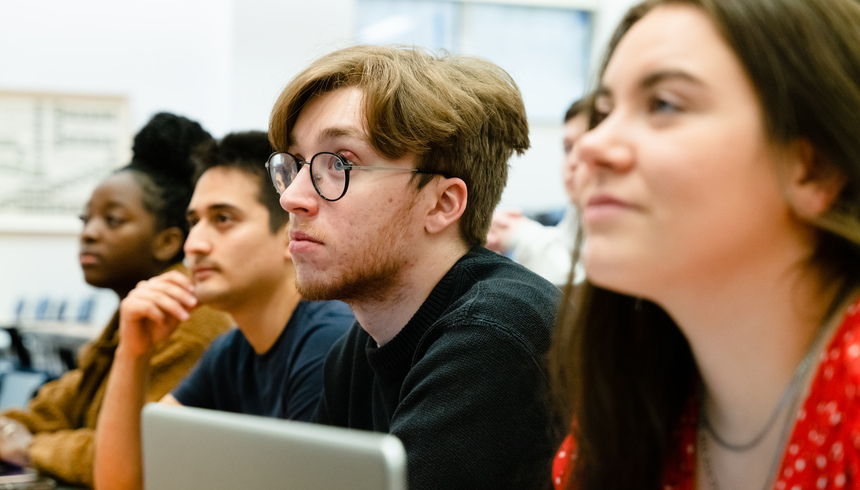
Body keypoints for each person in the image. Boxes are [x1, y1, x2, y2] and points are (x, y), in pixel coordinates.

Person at [549, 0, 860, 489]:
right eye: (604, 113)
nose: (591, 146)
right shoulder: (636, 394)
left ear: (812, 167)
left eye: (664, 105)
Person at [268, 44, 563, 489]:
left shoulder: (495, 336)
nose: (292, 197)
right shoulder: (357, 350)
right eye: (295, 165)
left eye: (340, 163)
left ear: (442, 203)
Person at [93, 131, 354, 490]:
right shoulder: (230, 352)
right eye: (193, 222)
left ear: (289, 232)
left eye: (223, 219)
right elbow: (122, 483)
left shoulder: (329, 343)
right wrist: (133, 352)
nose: (194, 244)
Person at [0, 113, 233, 487]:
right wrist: (12, 430)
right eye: (85, 219)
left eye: (112, 220)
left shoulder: (187, 314)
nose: (89, 234)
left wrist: (31, 447)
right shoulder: (133, 307)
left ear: (167, 242)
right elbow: (60, 405)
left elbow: (130, 454)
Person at [486, 97, 589, 286]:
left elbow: (583, 281)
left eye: (586, 148)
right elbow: (565, 247)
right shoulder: (574, 212)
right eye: (568, 148)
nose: (572, 161)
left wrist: (520, 235)